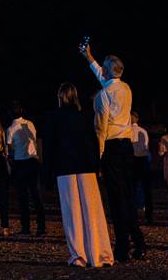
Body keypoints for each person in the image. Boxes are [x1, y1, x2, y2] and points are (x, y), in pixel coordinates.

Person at [79, 42, 146, 263]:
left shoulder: (102, 96)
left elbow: (101, 128)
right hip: (127, 147)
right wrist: (89, 58)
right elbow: (105, 78)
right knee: (127, 197)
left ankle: (122, 247)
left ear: (109, 71)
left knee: (117, 200)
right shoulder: (126, 89)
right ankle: (139, 243)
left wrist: (98, 157)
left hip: (112, 147)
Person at [45, 83, 114, 268]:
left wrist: (47, 172)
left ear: (60, 97)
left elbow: (50, 147)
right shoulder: (84, 116)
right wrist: (96, 165)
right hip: (86, 167)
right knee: (92, 211)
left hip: (65, 168)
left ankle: (78, 255)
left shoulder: (54, 117)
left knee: (72, 212)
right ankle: (100, 253)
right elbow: (93, 140)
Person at [6, 102, 47, 237]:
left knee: (23, 196)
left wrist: (11, 162)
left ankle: (26, 227)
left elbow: (10, 148)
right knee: (36, 195)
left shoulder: (11, 129)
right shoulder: (30, 124)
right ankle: (41, 226)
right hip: (33, 160)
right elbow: (34, 139)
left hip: (20, 162)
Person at [130, 112, 153, 224]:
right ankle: (148, 215)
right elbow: (146, 146)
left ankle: (134, 214)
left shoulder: (129, 131)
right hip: (142, 159)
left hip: (135, 160)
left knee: (133, 188)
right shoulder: (142, 131)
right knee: (145, 188)